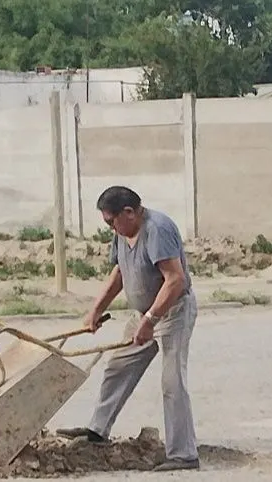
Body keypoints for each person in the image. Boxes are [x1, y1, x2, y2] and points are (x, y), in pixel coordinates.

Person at [56, 185, 199, 472]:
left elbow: (174, 280)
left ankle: (183, 454)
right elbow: (120, 272)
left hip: (172, 313)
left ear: (130, 212)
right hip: (144, 313)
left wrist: (150, 320)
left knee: (173, 382)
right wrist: (95, 310)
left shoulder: (158, 229)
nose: (110, 227)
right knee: (118, 367)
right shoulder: (122, 235)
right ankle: (97, 431)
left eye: (111, 221)